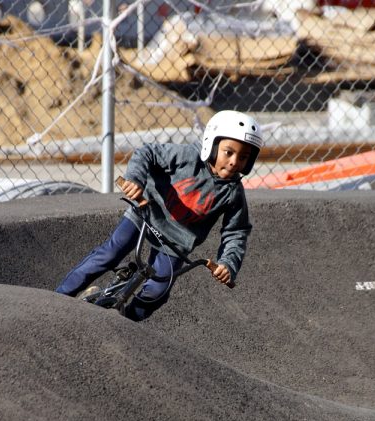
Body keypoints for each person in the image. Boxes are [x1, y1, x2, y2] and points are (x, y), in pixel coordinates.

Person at [55, 110, 263, 321]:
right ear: (212, 144)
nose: (234, 162)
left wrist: (228, 264)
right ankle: (58, 299)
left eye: (243, 157)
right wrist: (136, 180)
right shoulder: (187, 156)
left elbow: (236, 232)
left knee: (158, 291)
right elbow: (147, 153)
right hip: (146, 214)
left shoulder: (233, 192)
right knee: (110, 253)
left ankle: (123, 322)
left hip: (176, 242)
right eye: (228, 152)